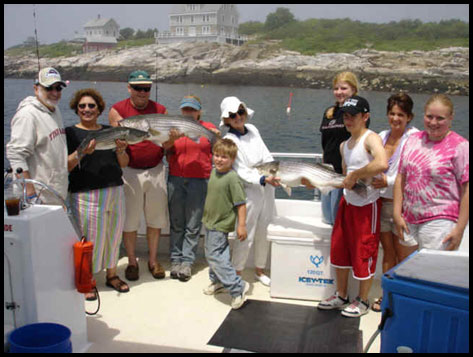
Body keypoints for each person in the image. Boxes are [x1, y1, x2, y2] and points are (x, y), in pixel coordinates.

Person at [317, 95, 388, 317]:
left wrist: (357, 174)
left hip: (367, 206)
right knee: (339, 248)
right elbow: (343, 177)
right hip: (347, 203)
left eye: (353, 116)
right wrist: (316, 182)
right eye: (345, 116)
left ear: (365, 117)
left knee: (363, 251)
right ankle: (341, 294)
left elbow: (381, 163)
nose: (348, 120)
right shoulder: (343, 146)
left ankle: (363, 300)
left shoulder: (371, 138)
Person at [66, 89, 129, 299]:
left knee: (114, 235)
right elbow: (65, 166)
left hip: (115, 189)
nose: (87, 109)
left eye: (91, 106)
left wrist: (121, 150)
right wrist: (83, 151)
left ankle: (112, 275)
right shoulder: (70, 133)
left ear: (99, 109)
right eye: (82, 106)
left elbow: (124, 163)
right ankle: (89, 280)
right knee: (90, 239)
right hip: (86, 194)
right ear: (76, 109)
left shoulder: (109, 131)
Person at [109, 70, 169, 281]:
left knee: (155, 219)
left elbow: (167, 144)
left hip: (156, 170)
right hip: (129, 172)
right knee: (130, 221)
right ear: (129, 88)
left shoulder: (161, 111)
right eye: (138, 88)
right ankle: (132, 261)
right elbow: (116, 139)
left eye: (147, 88)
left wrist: (174, 138)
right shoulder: (117, 110)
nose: (143, 92)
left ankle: (153, 260)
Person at [393, 94, 469, 253]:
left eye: (440, 118)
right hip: (408, 219)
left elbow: (466, 189)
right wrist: (396, 213)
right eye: (429, 117)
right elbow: (401, 176)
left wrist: (459, 229)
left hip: (440, 222)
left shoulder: (460, 146)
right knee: (408, 270)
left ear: (450, 118)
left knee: (431, 272)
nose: (433, 122)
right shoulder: (413, 139)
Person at [220, 96, 280, 286]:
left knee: (264, 229)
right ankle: (236, 273)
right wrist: (262, 178)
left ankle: (259, 270)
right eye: (233, 114)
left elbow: (266, 154)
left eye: (241, 112)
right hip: (248, 191)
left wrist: (273, 173)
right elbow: (241, 170)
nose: (238, 117)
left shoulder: (253, 130)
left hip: (267, 186)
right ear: (226, 119)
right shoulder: (228, 140)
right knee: (245, 233)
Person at [370, 93, 419, 312]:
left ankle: (405, 298)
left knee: (405, 255)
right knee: (388, 253)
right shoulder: (381, 136)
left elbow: (413, 173)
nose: (395, 118)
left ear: (409, 117)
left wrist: (387, 181)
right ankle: (386, 294)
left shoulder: (415, 138)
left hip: (404, 206)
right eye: (392, 113)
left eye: (401, 114)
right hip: (381, 204)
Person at [164, 95, 220, 282]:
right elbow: (166, 151)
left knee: (193, 224)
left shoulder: (207, 127)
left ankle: (187, 262)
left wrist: (218, 136)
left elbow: (219, 151)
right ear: (181, 110)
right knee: (177, 222)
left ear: (199, 112)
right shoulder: (173, 126)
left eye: (192, 109)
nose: (189, 113)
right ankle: (175, 259)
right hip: (175, 178)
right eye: (186, 109)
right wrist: (171, 140)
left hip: (200, 181)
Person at [6, 67, 68, 204]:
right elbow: (15, 154)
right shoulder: (27, 115)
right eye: (49, 88)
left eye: (58, 88)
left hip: (56, 195)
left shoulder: (54, 109)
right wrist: (30, 194)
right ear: (36, 89)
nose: (54, 93)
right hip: (38, 200)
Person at [202, 138, 249, 309]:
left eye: (224, 157)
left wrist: (241, 225)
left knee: (215, 256)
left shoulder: (232, 178)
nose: (219, 159)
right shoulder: (214, 172)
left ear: (232, 160)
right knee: (213, 254)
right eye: (216, 155)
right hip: (209, 221)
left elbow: (241, 204)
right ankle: (218, 281)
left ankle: (238, 287)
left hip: (221, 224)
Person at [319, 72, 358, 225]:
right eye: (336, 88)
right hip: (326, 171)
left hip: (343, 173)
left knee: (338, 218)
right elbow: (325, 141)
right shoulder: (329, 112)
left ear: (353, 90)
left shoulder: (356, 113)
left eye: (344, 88)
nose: (339, 92)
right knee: (327, 218)